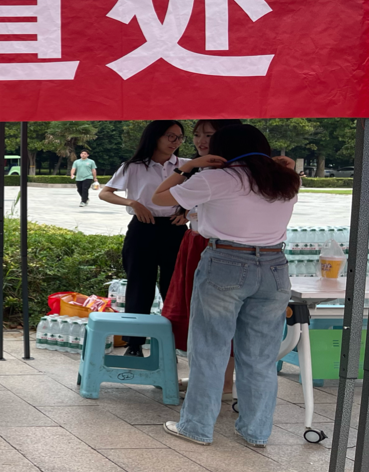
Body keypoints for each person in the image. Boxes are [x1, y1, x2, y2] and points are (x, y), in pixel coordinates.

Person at [152, 124, 299, 446]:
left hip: (226, 262)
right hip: (275, 266)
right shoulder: (286, 180)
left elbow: (158, 198)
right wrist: (282, 164)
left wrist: (188, 167)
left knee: (210, 349)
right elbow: (282, 170)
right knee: (261, 356)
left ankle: (197, 427)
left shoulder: (215, 178)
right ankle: (256, 432)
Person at [161, 120, 243, 399]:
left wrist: (186, 168)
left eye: (209, 134)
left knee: (219, 317)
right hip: (195, 241)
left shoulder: (223, 173)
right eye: (196, 135)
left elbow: (159, 196)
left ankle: (224, 383)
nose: (201, 141)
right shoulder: (205, 170)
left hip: (215, 245)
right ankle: (206, 377)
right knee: (196, 314)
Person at [99, 121, 188, 357]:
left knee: (174, 289)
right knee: (139, 287)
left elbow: (203, 195)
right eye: (170, 136)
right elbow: (105, 193)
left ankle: (170, 345)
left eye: (180, 137)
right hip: (143, 228)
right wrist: (132, 202)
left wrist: (188, 212)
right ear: (155, 136)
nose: (176, 141)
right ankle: (134, 344)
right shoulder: (134, 166)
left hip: (175, 228)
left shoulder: (187, 166)